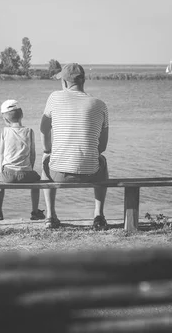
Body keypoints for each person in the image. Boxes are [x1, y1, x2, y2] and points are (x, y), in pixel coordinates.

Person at [40, 63, 109, 230]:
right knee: (103, 161)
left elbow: (43, 128)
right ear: (83, 81)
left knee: (45, 160)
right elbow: (103, 146)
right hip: (91, 173)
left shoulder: (54, 98)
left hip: (58, 174)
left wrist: (48, 150)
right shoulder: (100, 105)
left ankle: (50, 215)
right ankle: (98, 215)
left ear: (64, 82)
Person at [0, 99, 45, 222]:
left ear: (5, 119)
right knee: (36, 182)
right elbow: (32, 154)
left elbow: (1, 153)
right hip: (26, 174)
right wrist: (30, 169)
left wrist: (1, 170)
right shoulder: (29, 131)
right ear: (22, 115)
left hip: (8, 174)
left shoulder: (4, 131)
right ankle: (35, 212)